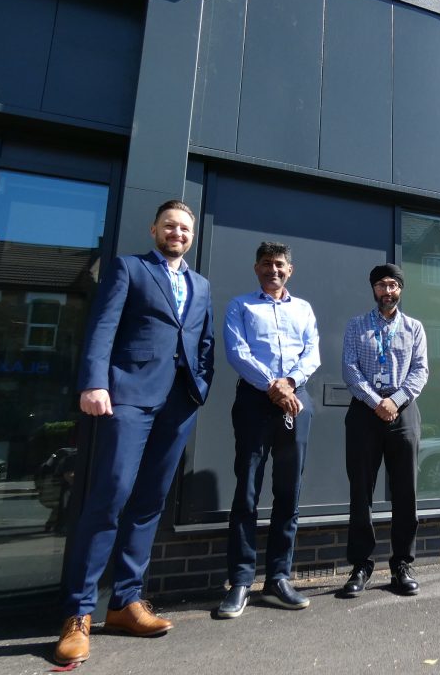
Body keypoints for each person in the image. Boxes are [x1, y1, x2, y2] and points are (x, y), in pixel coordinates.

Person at [55, 200, 215, 665]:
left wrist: (199, 387)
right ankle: (77, 614)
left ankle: (125, 602)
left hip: (178, 403)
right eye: (170, 226)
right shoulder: (129, 269)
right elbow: (103, 327)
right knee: (110, 495)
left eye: (185, 228)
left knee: (149, 503)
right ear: (154, 229)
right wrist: (94, 381)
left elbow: (202, 340)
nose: (178, 233)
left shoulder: (201, 284)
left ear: (192, 235)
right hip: (127, 397)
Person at [217, 241, 320, 618]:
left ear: (289, 270)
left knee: (288, 493)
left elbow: (313, 352)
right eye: (265, 264)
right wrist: (272, 386)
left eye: (279, 264)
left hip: (296, 399)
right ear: (256, 268)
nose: (273, 270)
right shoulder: (240, 305)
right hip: (254, 402)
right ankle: (241, 581)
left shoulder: (304, 309)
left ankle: (278, 577)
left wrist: (289, 382)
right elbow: (237, 352)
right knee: (246, 491)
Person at [340, 263, 428, 597]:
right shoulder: (356, 326)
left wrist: (396, 401)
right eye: (380, 285)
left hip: (403, 412)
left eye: (392, 285)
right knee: (361, 491)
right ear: (373, 289)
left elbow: (420, 370)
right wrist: (376, 401)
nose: (387, 291)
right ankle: (360, 565)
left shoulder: (414, 327)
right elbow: (349, 368)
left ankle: (402, 564)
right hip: (364, 412)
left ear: (400, 289)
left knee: (406, 492)